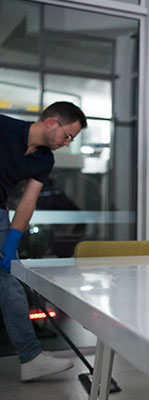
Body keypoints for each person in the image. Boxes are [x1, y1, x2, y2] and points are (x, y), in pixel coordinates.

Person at [0, 101, 86, 380]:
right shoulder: (4, 127)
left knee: (9, 279)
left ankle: (31, 357)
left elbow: (27, 203)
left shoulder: (44, 159)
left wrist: (12, 241)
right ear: (52, 123)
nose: (67, 142)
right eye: (67, 136)